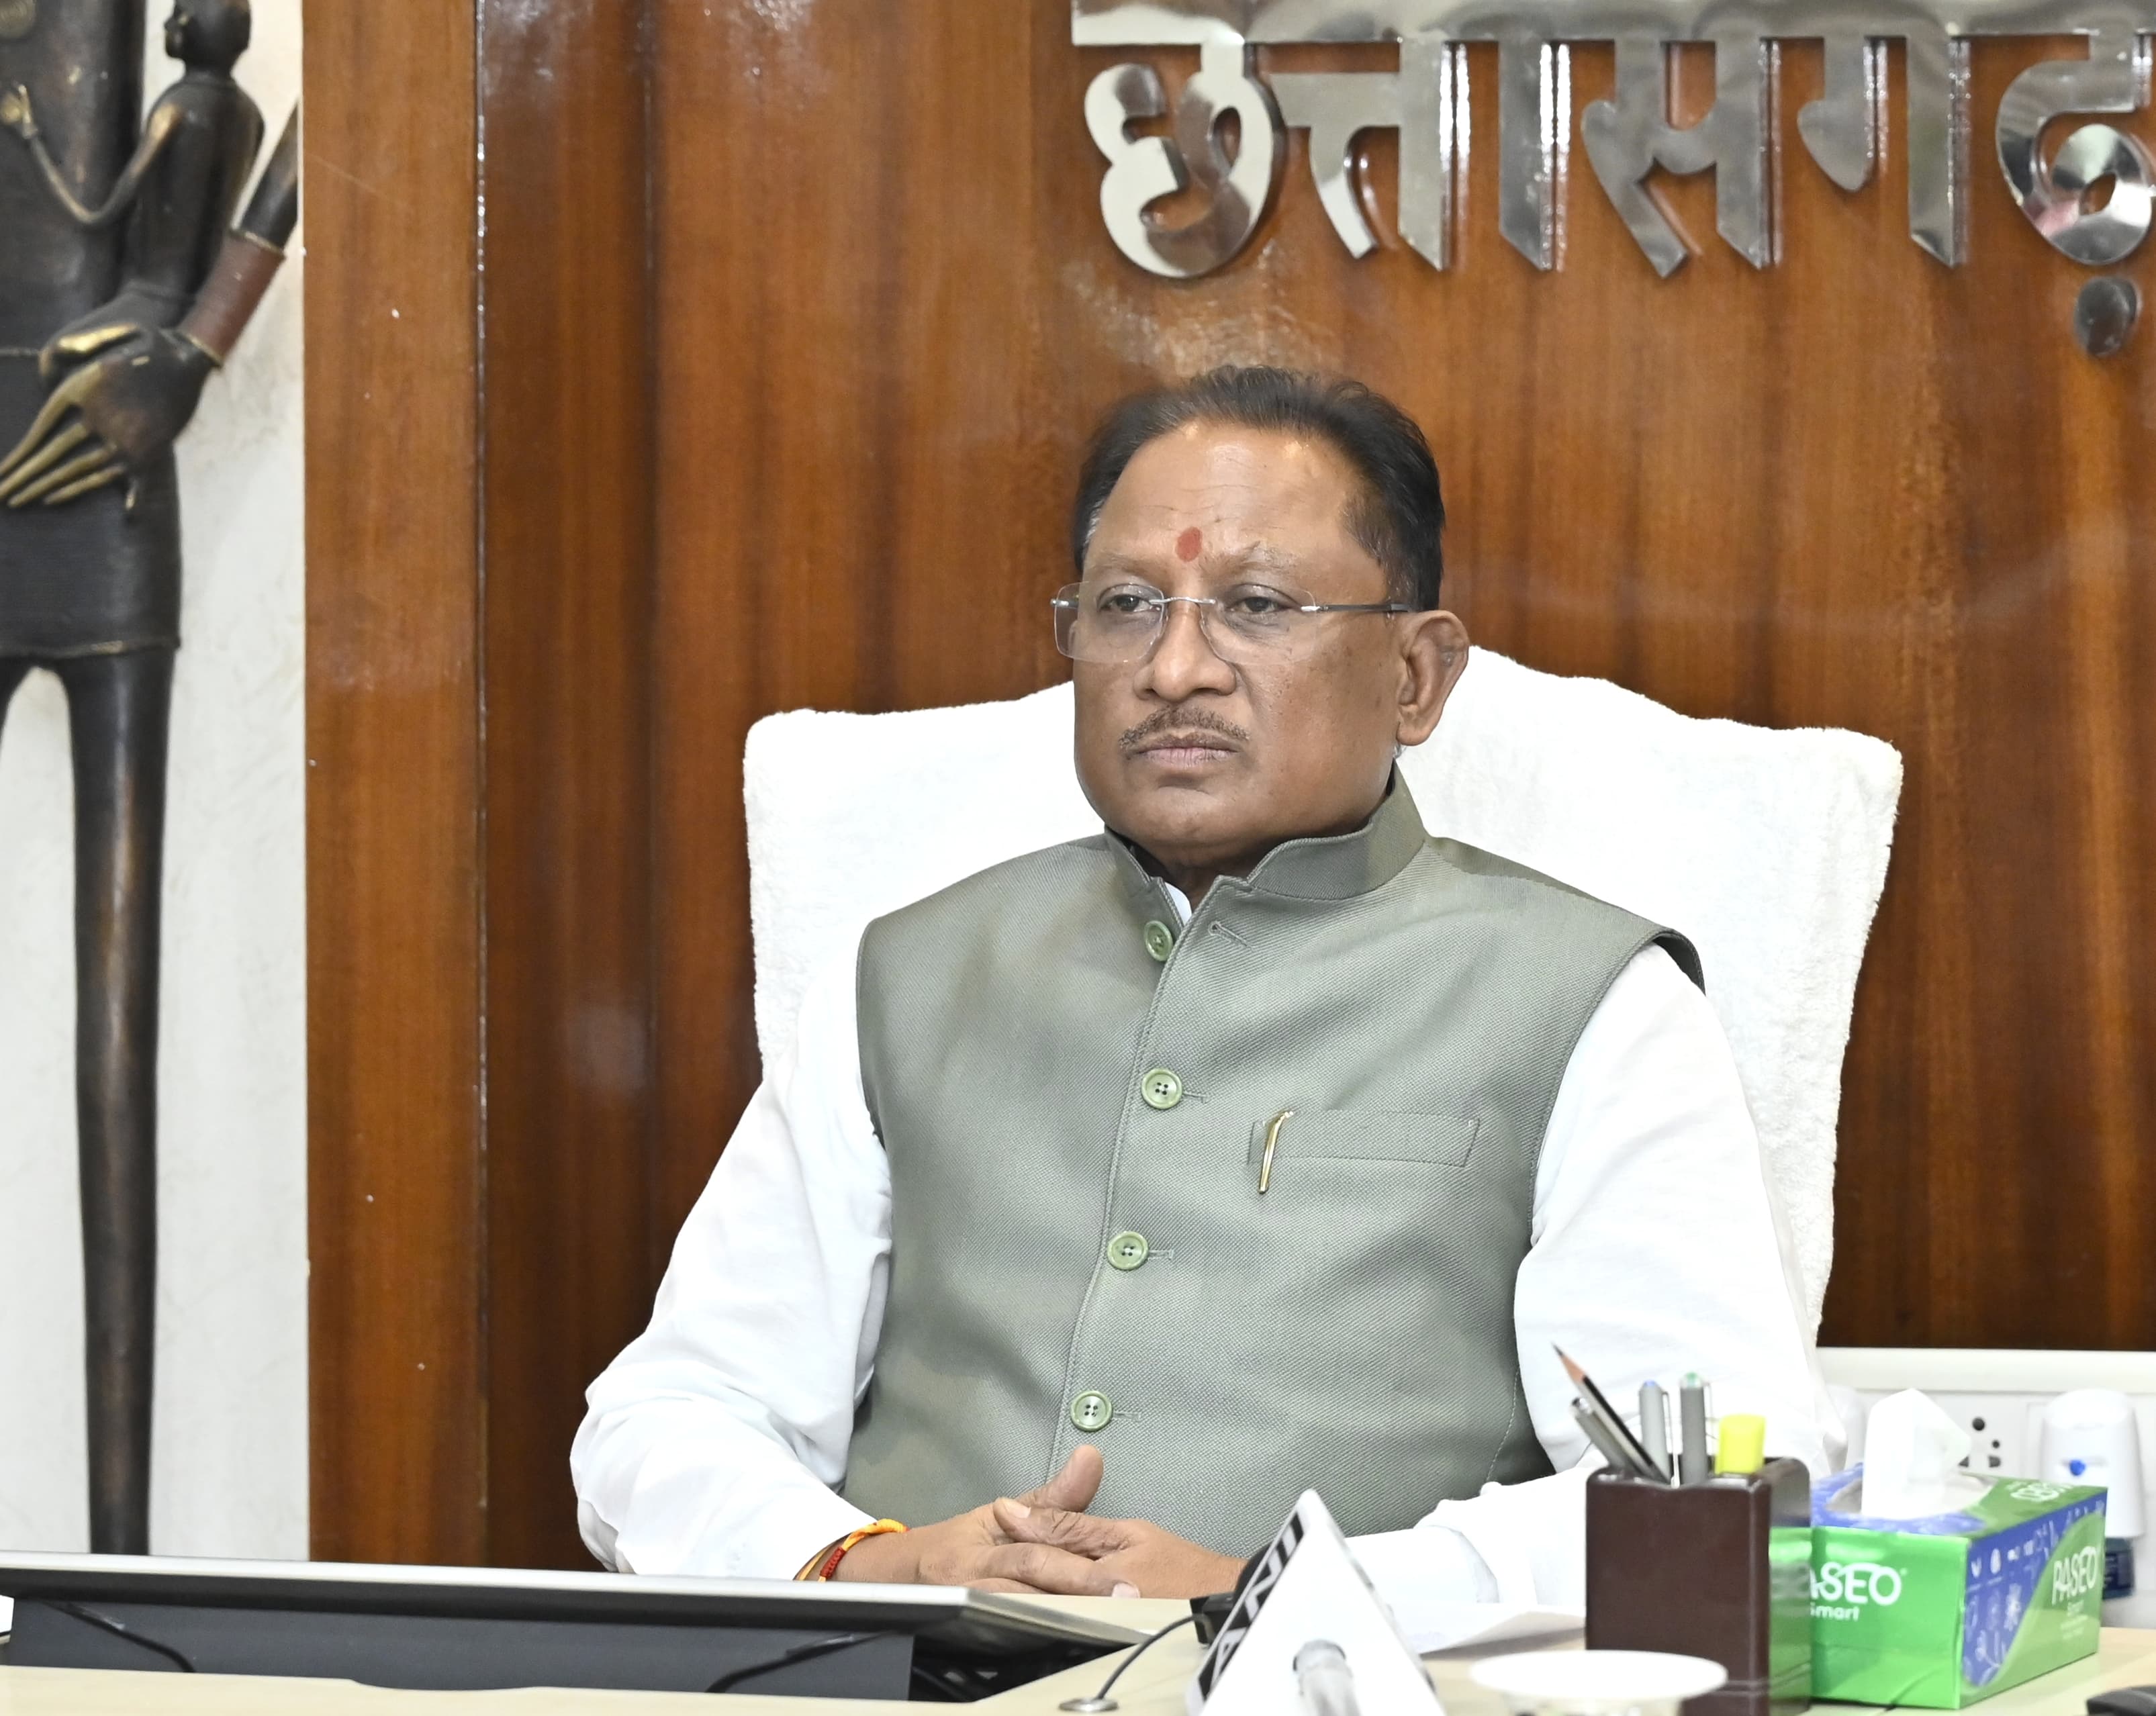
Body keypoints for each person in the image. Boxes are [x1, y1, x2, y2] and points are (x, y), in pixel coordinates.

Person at [572, 367, 1834, 1607]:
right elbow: (671, 1415)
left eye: (1258, 606)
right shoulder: (904, 978)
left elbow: (1712, 1483)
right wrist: (876, 1562)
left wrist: (1273, 1594)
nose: (1175, 668)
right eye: (1126, 604)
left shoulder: (1590, 1001)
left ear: (1416, 677)